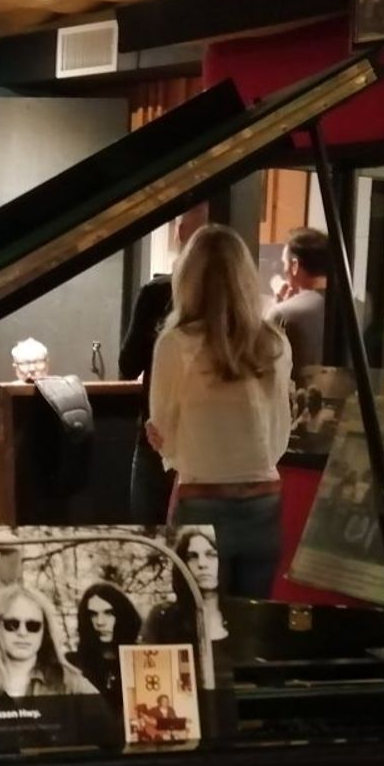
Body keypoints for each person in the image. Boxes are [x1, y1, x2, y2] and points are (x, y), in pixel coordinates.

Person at [145, 226, 292, 598]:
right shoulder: (274, 342)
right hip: (265, 501)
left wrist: (169, 446)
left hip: (203, 500)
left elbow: (166, 432)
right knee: (253, 629)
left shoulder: (176, 344)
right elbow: (278, 435)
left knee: (203, 628)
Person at [120, 207, 206, 523]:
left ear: (179, 234)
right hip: (204, 442)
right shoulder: (229, 304)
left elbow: (128, 365)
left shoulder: (156, 294)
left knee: (151, 539)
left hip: (158, 437)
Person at [0, 583, 99, 699]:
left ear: (44, 631)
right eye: (12, 624)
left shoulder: (72, 685)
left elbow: (108, 733)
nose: (22, 633)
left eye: (33, 626)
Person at [141, 526, 228, 645]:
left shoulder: (246, 616)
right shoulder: (163, 620)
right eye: (192, 557)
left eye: (211, 555)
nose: (202, 564)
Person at [270, 227, 331, 374]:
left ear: (295, 265)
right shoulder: (358, 309)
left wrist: (278, 306)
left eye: (284, 262)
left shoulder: (283, 313)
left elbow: (262, 364)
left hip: (298, 395)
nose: (284, 269)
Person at [70, 581, 141, 703]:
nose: (100, 622)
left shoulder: (142, 661)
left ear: (123, 614)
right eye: (93, 614)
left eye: (109, 613)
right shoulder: (73, 665)